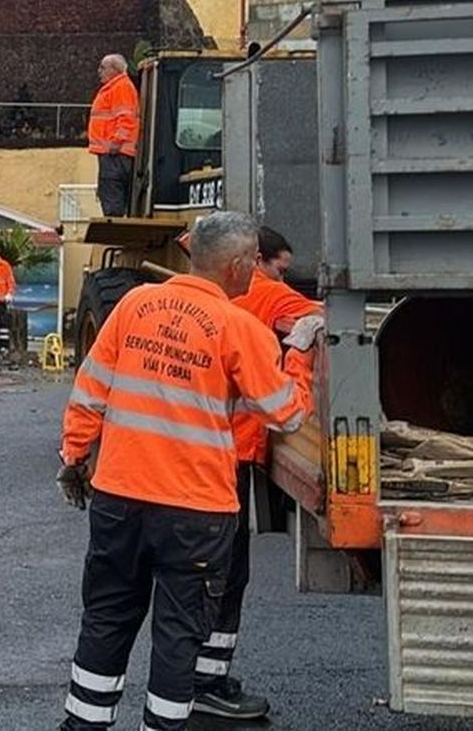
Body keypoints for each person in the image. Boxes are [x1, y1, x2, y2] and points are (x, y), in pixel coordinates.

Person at [55, 211, 308, 731]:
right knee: (177, 635)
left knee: (106, 619)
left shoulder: (134, 304)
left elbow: (90, 389)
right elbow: (287, 411)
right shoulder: (240, 328)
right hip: (196, 510)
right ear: (240, 266)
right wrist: (301, 352)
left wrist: (75, 457)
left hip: (119, 497)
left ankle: (82, 726)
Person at [194, 226, 323, 721]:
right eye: (276, 268)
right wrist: (301, 357)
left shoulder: (153, 307)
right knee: (223, 573)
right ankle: (203, 681)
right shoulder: (263, 297)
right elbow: (287, 411)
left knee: (168, 580)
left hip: (159, 472)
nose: (275, 279)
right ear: (249, 261)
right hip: (225, 461)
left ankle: (187, 681)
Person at [88, 54, 140, 218]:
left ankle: (114, 225)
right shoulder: (117, 87)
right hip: (113, 151)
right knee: (111, 192)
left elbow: (126, 117)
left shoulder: (121, 87)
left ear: (115, 70)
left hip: (116, 152)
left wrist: (117, 141)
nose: (99, 72)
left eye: (103, 67)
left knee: (112, 193)